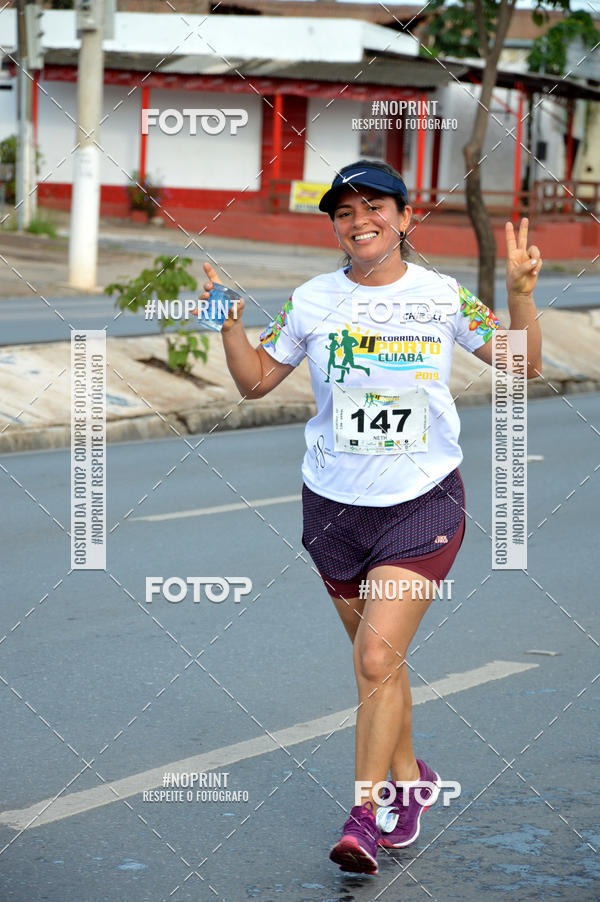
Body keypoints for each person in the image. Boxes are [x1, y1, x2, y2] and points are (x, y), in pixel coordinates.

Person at [201, 159, 543, 876]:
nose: (360, 222)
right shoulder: (312, 300)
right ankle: (411, 779)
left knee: (377, 658)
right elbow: (257, 381)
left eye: (374, 207)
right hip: (333, 509)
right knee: (379, 667)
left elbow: (523, 365)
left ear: (405, 217)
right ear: (335, 227)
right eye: (344, 212)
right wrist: (229, 328)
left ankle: (364, 815)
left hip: (422, 503)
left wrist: (520, 298)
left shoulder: (442, 296)